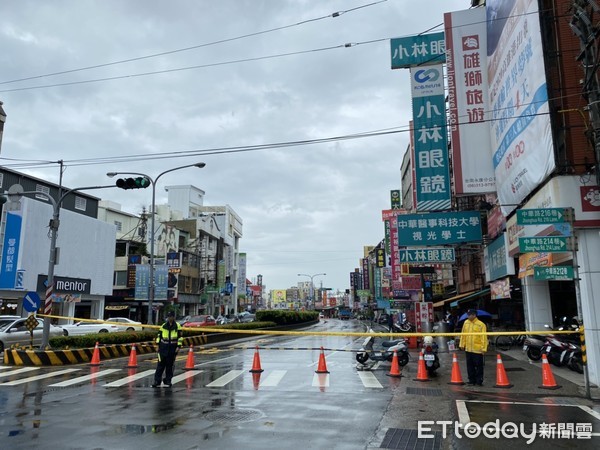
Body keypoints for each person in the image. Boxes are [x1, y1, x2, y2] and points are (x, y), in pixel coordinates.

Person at [152, 311, 183, 388]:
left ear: (174, 317)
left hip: (172, 348)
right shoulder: (163, 326)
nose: (170, 318)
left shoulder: (178, 326)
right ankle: (157, 381)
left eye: (171, 317)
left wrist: (178, 347)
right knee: (160, 365)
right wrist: (157, 345)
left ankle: (168, 380)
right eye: (169, 317)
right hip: (163, 348)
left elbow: (180, 337)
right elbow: (159, 336)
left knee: (170, 365)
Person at [459, 309, 488, 386]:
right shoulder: (466, 323)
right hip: (468, 349)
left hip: (477, 349)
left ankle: (479, 381)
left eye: (470, 314)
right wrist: (462, 344)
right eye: (468, 314)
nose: (468, 316)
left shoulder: (481, 324)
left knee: (479, 366)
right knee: (470, 366)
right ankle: (471, 380)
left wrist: (484, 348)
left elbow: (483, 337)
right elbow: (463, 334)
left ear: (474, 315)